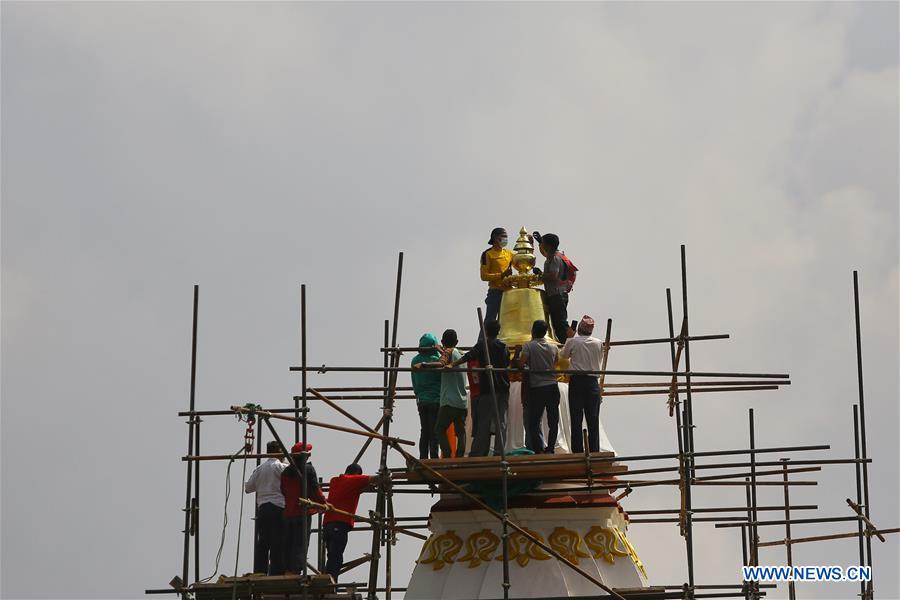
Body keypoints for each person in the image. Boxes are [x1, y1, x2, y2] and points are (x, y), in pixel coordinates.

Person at [449, 320, 510, 457]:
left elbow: (468, 356)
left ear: (486, 331)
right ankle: (500, 452)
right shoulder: (503, 347)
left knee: (484, 422)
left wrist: (452, 364)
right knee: (501, 421)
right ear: (498, 331)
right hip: (503, 387)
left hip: (488, 388)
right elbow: (507, 363)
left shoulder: (483, 345)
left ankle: (479, 452)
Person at [413, 329, 468, 458]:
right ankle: (460, 455)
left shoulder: (418, 359)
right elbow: (448, 356)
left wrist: (423, 364)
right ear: (457, 342)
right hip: (462, 401)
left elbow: (442, 362)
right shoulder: (462, 355)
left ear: (443, 342)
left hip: (447, 401)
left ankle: (446, 455)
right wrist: (439, 350)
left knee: (437, 430)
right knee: (460, 432)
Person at [322, 464, 376, 582]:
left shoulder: (335, 480)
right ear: (357, 474)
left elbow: (348, 491)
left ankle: (328, 581)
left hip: (328, 524)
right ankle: (329, 583)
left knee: (331, 555)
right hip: (339, 523)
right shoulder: (353, 479)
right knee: (336, 557)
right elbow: (375, 479)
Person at [280, 442, 327, 574]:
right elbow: (314, 489)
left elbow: (283, 490)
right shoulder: (308, 469)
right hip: (302, 511)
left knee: (289, 543)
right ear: (305, 456)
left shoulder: (285, 472)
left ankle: (287, 570)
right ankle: (295, 571)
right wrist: (324, 502)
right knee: (301, 543)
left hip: (288, 512)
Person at [560, 315, 604, 453]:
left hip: (577, 382)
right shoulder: (598, 343)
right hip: (592, 382)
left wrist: (569, 338)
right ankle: (594, 450)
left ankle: (577, 450)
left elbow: (563, 356)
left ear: (579, 328)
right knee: (593, 418)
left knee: (576, 418)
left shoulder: (573, 342)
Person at [516, 320, 560, 454]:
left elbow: (521, 364)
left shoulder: (529, 346)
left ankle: (539, 449)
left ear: (533, 331)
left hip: (537, 387)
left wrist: (521, 358)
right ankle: (551, 448)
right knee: (553, 421)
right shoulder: (554, 347)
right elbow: (556, 362)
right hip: (552, 386)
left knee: (534, 422)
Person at [244, 441, 286, 575]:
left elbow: (248, 487)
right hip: (278, 507)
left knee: (263, 542)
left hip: (263, 509)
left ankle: (259, 571)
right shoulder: (282, 467)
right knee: (277, 542)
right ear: (279, 452)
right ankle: (276, 572)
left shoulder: (259, 469)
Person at [534, 232, 571, 343]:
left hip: (557, 295)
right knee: (558, 323)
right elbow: (545, 253)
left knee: (560, 324)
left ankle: (568, 346)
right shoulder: (553, 256)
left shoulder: (554, 259)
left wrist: (540, 274)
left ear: (548, 246)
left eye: (543, 243)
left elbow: (553, 276)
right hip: (556, 294)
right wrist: (540, 241)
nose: (541, 246)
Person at [410, 333, 442, 459]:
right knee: (434, 431)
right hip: (436, 399)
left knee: (424, 430)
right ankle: (434, 457)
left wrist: (418, 394)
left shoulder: (415, 360)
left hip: (422, 401)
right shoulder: (436, 359)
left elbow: (414, 381)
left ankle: (423, 457)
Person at [480, 227, 513, 323]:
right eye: (503, 236)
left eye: (506, 237)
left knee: (506, 322)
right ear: (495, 237)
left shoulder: (509, 253)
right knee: (490, 320)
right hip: (495, 292)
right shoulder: (487, 254)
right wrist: (501, 275)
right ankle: (483, 338)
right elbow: (483, 276)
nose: (505, 239)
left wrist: (530, 245)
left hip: (508, 291)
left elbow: (521, 261)